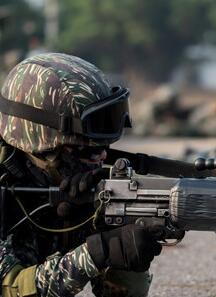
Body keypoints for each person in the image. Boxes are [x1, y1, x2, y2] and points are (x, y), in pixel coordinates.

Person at [0, 53, 161, 297]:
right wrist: (95, 253)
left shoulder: (69, 183)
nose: (100, 159)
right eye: (86, 150)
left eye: (103, 149)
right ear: (42, 144)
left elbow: (120, 293)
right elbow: (10, 288)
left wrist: (127, 253)